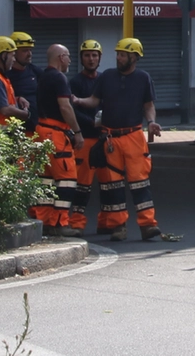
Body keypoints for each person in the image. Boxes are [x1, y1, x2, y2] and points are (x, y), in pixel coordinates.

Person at [71, 38, 162, 242]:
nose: (118, 58)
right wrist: (78, 101)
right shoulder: (108, 76)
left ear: (134, 57)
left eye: (122, 54)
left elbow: (148, 105)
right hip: (111, 138)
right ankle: (117, 226)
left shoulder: (143, 78)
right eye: (118, 54)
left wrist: (152, 122)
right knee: (112, 186)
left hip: (134, 136)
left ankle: (148, 225)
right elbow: (95, 100)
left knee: (140, 183)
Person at [29, 44, 84, 236]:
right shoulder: (59, 78)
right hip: (55, 134)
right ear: (61, 57)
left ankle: (43, 221)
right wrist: (77, 131)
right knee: (67, 179)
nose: (70, 61)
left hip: (41, 132)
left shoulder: (43, 77)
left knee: (46, 179)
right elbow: (65, 107)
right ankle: (61, 223)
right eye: (68, 56)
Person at [66, 39, 104, 233]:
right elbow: (70, 109)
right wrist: (90, 122)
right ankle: (77, 223)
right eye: (87, 55)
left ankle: (108, 223)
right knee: (82, 185)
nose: (91, 59)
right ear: (81, 58)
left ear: (100, 58)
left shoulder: (104, 80)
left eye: (94, 55)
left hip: (105, 139)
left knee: (109, 184)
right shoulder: (75, 82)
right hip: (85, 139)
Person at [0, 36, 30, 127]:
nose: (14, 59)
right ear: (4, 56)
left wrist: (17, 99)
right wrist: (25, 114)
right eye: (12, 55)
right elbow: (4, 109)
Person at [9, 31, 40, 132]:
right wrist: (17, 99)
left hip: (37, 129)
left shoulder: (35, 71)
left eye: (30, 50)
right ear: (14, 52)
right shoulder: (5, 75)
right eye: (25, 51)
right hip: (16, 130)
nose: (29, 54)